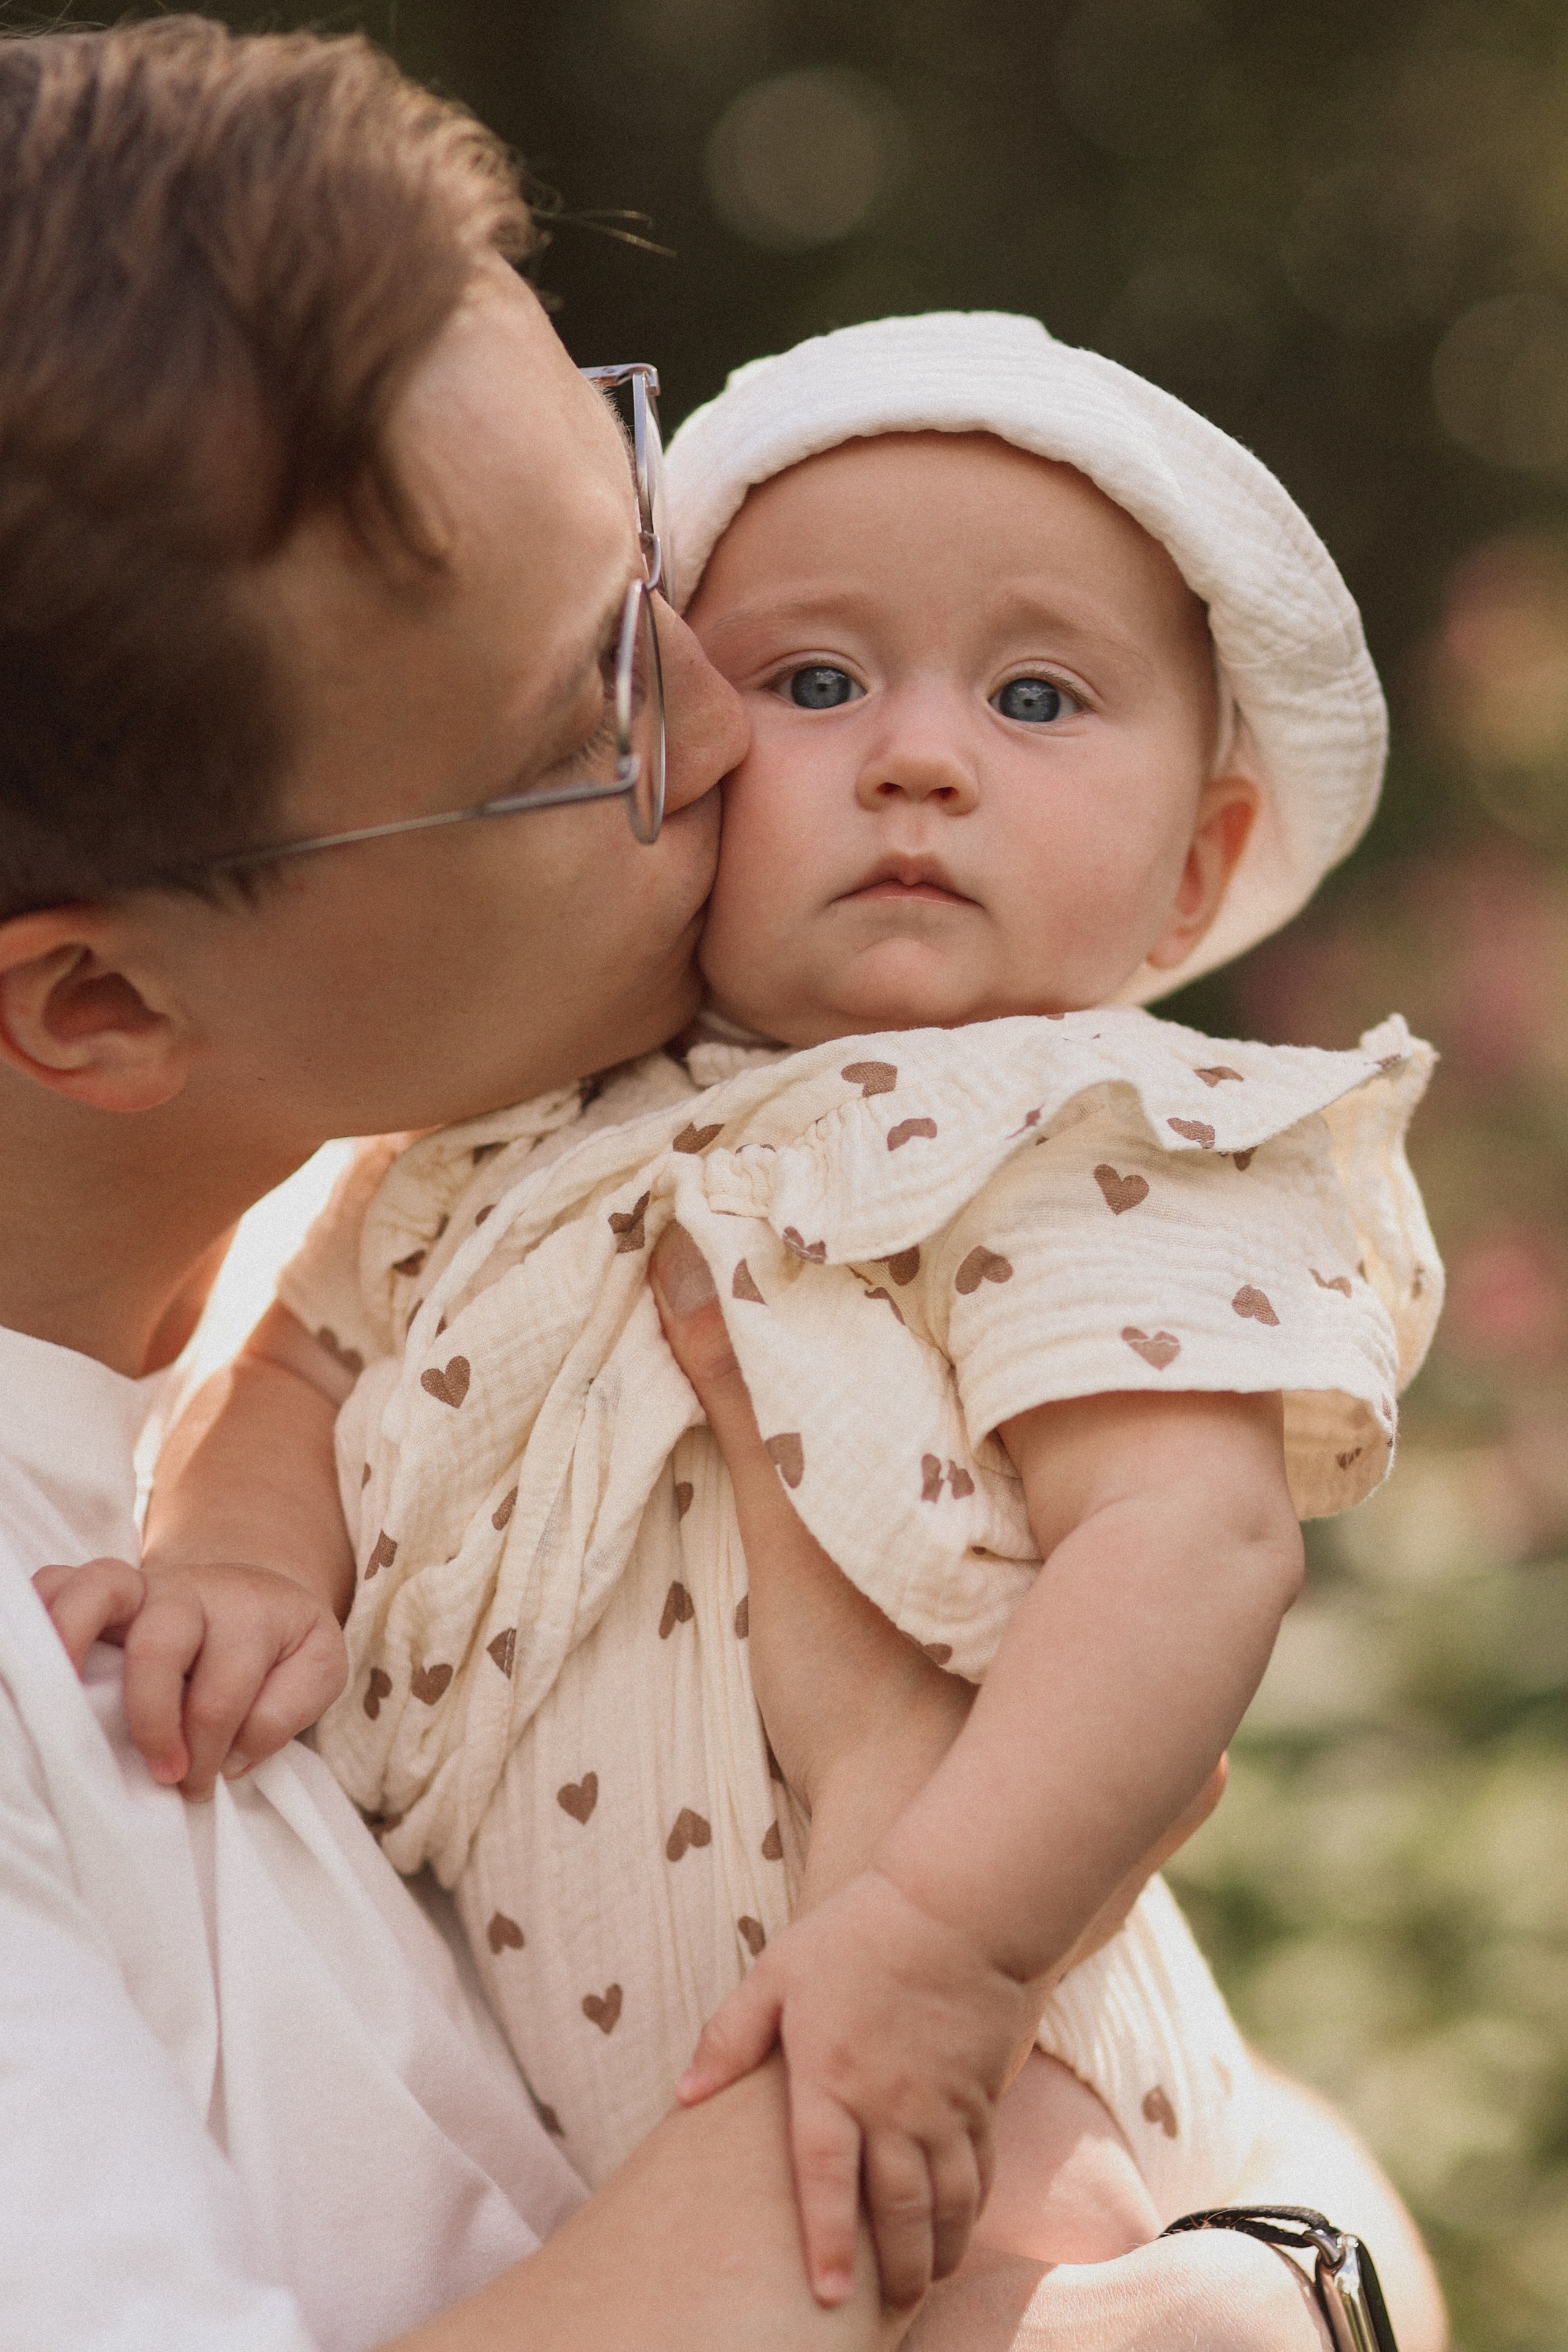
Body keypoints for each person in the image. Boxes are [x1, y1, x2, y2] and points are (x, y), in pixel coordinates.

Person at [3, 17, 1443, 2350]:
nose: (746, 727)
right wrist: (896, 1815)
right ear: (94, 1007)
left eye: (649, 543)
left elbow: (1273, 2158)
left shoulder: (411, 1182)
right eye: (594, 701)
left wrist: (1272, 2249)